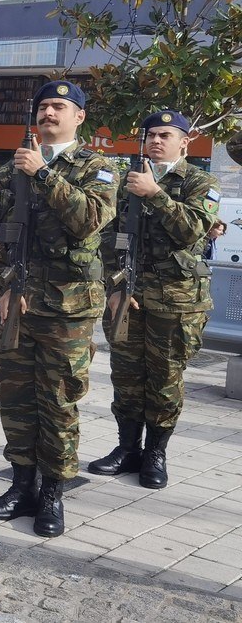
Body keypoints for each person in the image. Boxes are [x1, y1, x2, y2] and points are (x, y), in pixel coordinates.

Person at [0, 81, 117, 538]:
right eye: (42, 107)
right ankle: (21, 485)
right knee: (15, 400)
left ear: (79, 116)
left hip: (67, 308)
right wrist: (0, 285)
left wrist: (43, 174)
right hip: (17, 303)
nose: (48, 113)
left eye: (59, 106)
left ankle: (53, 492)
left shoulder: (97, 168)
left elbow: (89, 220)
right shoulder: (11, 168)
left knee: (57, 402)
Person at [90, 110, 219, 490]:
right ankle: (127, 448)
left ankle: (156, 453)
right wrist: (115, 288)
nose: (157, 141)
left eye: (166, 135)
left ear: (185, 141)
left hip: (176, 302)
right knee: (127, 377)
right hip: (129, 295)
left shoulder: (200, 181)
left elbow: (192, 229)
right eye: (151, 135)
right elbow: (109, 237)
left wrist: (156, 194)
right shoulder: (125, 181)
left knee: (164, 380)